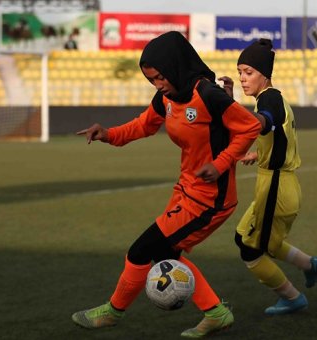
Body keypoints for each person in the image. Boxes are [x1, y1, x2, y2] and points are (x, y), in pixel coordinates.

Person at [71, 31, 261, 338]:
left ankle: (112, 312)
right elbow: (145, 124)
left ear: (175, 67)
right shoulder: (168, 97)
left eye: (160, 77)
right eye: (152, 80)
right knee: (166, 255)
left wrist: (221, 164)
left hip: (211, 201)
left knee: (141, 250)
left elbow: (249, 127)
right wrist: (109, 134)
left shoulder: (209, 95)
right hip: (185, 191)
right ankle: (216, 313)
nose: (158, 85)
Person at [220, 39, 317, 315]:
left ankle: (292, 298)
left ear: (264, 74)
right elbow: (277, 135)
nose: (243, 78)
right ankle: (310, 264)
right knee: (249, 238)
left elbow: (267, 118)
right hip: (277, 184)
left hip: (276, 188)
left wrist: (252, 122)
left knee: (251, 250)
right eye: (240, 71)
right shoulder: (273, 97)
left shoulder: (269, 99)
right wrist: (258, 153)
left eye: (249, 72)